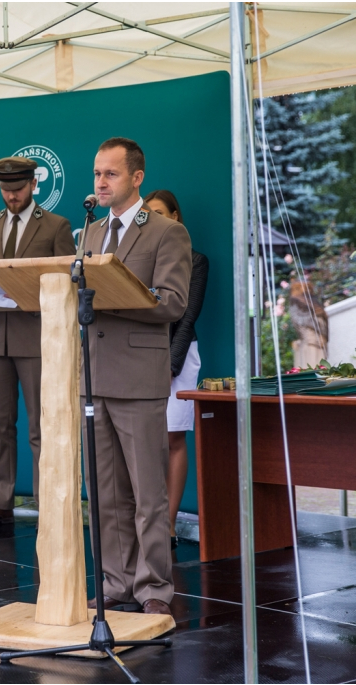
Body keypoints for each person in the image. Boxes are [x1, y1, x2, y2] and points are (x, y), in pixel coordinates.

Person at [82, 138, 192, 616]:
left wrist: (117, 290)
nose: (101, 183)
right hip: (93, 376)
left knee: (148, 495)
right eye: (96, 174)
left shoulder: (165, 232)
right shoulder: (88, 232)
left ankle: (153, 589)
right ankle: (116, 581)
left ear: (136, 178)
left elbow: (172, 301)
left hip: (139, 377)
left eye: (111, 174)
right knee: (105, 494)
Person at [0, 157, 76, 528]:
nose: (12, 197)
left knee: (42, 426)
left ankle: (48, 507)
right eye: (6, 191)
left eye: (19, 190)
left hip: (37, 337)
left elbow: (66, 281)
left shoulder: (56, 226)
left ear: (33, 184)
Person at [143, 189, 208, 549]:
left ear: (176, 216)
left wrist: (171, 362)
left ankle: (167, 524)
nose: (157, 221)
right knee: (144, 440)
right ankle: (146, 521)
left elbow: (186, 317)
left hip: (178, 356)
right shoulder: (141, 258)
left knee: (172, 436)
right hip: (139, 354)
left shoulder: (196, 261)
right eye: (149, 215)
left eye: (161, 214)